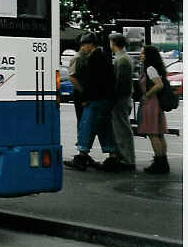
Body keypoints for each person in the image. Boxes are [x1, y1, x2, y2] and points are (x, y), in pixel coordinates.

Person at [64, 33, 118, 170]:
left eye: (84, 44)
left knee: (86, 126)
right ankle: (113, 156)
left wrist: (85, 98)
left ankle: (82, 157)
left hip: (95, 100)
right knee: (105, 128)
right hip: (107, 100)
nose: (82, 47)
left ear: (91, 44)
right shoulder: (104, 57)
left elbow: (92, 82)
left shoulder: (93, 58)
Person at [137, 45, 170, 174]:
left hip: (151, 103)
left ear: (148, 56)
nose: (140, 55)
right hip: (156, 103)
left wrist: (147, 94)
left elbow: (159, 85)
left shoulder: (150, 69)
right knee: (159, 134)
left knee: (153, 133)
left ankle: (158, 162)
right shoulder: (155, 68)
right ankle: (163, 161)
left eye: (143, 54)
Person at [107, 33, 136, 171]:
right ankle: (124, 157)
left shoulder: (122, 60)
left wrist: (114, 97)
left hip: (121, 99)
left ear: (113, 43)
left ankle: (127, 159)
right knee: (121, 129)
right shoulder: (123, 58)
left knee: (122, 129)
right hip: (123, 98)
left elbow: (121, 83)